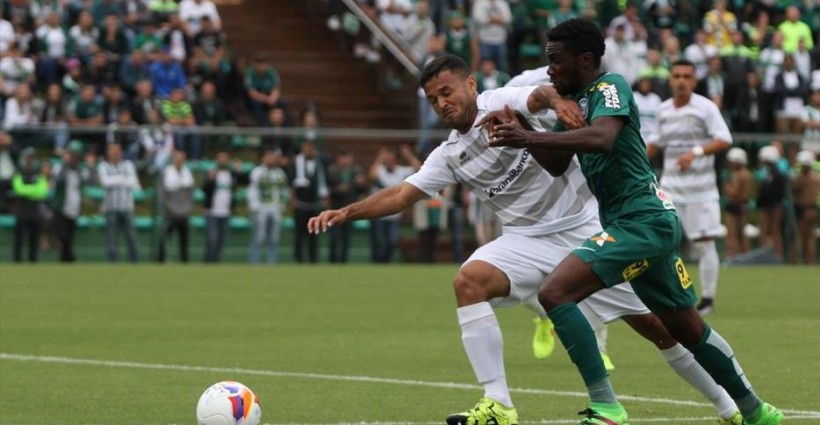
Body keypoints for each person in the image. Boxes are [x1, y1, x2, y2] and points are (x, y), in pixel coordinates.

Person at [309, 54, 743, 425]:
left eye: (447, 91)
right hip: (525, 242)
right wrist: (346, 211)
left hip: (587, 228)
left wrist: (557, 101)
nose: (443, 103)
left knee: (661, 328)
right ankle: (498, 403)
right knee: (468, 282)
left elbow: (537, 97)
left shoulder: (500, 102)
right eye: (433, 99)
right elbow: (403, 193)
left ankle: (729, 407)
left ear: (470, 83)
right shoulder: (449, 154)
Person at [483, 20, 782, 425]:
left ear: (586, 60)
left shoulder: (610, 88)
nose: (549, 70)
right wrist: (523, 129)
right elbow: (555, 164)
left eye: (556, 61)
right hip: (640, 223)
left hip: (642, 220)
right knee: (687, 328)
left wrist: (530, 138)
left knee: (555, 293)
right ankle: (756, 412)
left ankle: (606, 407)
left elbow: (603, 138)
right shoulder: (576, 102)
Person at [646, 59, 732, 316]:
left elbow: (724, 139)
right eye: (677, 76)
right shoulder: (663, 110)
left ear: (694, 81)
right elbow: (656, 143)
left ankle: (707, 299)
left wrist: (695, 152)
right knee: (659, 242)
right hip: (670, 186)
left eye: (686, 76)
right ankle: (665, 295)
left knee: (704, 243)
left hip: (701, 189)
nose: (681, 80)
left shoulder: (705, 108)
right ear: (671, 80)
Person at [367, 145, 420, 263]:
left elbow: (418, 169)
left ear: (395, 160)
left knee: (391, 242)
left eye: (391, 160)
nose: (389, 162)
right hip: (378, 214)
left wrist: (408, 155)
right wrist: (380, 158)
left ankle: (386, 263)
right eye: (387, 160)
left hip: (393, 215)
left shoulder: (401, 171)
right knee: (377, 242)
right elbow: (371, 175)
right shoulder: (380, 170)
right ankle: (375, 265)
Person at [51, 140, 94, 263]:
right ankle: (69, 258)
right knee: (63, 236)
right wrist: (65, 162)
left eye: (76, 156)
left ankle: (67, 260)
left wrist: (91, 166)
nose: (73, 159)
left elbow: (90, 180)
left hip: (74, 208)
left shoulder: (81, 171)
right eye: (72, 155)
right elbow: (58, 178)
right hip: (60, 208)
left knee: (69, 237)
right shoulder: (60, 167)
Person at [98, 142, 141, 263]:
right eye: (112, 151)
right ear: (108, 153)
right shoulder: (103, 166)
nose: (115, 153)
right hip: (110, 208)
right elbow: (105, 182)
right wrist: (123, 179)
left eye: (117, 151)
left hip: (127, 207)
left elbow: (133, 183)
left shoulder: (128, 165)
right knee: (112, 239)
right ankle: (113, 264)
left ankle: (134, 263)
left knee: (132, 238)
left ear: (121, 152)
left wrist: (115, 180)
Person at [202, 151, 248, 263]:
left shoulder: (231, 174)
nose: (223, 160)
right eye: (220, 158)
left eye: (225, 158)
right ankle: (208, 261)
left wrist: (239, 170)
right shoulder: (212, 173)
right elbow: (204, 189)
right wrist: (210, 179)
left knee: (221, 240)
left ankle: (217, 261)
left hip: (226, 212)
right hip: (212, 212)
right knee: (212, 239)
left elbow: (245, 182)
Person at [289, 140, 329, 263]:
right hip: (301, 204)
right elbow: (291, 183)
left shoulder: (321, 163)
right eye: (305, 147)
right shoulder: (296, 163)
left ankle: (313, 260)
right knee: (299, 235)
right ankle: (298, 260)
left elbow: (324, 183)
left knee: (314, 235)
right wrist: (293, 200)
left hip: (315, 204)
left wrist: (325, 199)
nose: (308, 150)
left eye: (310, 147)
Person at [248, 149, 289, 265]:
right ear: (263, 158)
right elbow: (253, 190)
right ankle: (254, 262)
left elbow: (284, 190)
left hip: (276, 208)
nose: (270, 159)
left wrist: (282, 206)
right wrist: (254, 207)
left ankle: (272, 262)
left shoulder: (280, 173)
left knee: (274, 238)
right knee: (258, 237)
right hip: (261, 207)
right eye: (268, 156)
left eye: (272, 156)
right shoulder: (257, 172)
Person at [326, 150, 368, 263]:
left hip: (349, 211)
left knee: (346, 239)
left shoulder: (357, 171)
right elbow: (326, 189)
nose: (345, 161)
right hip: (335, 209)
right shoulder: (331, 171)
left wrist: (361, 183)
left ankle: (343, 263)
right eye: (343, 158)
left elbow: (362, 189)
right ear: (338, 159)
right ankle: (332, 262)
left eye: (347, 157)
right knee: (334, 239)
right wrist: (338, 189)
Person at [11, 148, 48, 263]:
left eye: (32, 158)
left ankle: (33, 263)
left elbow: (42, 191)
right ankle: (16, 263)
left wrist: (28, 191)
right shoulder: (18, 172)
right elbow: (18, 190)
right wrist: (33, 191)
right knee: (19, 241)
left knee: (34, 242)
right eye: (28, 157)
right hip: (22, 211)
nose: (30, 160)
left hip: (36, 213)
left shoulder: (39, 174)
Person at [158, 150, 195, 263]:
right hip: (171, 212)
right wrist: (167, 208)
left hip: (184, 213)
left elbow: (190, 194)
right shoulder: (167, 172)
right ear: (174, 159)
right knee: (164, 237)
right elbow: (162, 193)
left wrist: (188, 209)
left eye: (181, 158)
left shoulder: (188, 172)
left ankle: (184, 261)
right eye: (177, 158)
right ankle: (161, 259)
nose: (179, 160)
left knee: (184, 239)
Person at [722, 147, 754, 260]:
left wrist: (726, 187)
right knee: (742, 235)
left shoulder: (738, 175)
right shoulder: (748, 174)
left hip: (735, 206)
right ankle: (746, 256)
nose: (731, 164)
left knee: (732, 234)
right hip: (743, 206)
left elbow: (733, 192)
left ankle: (731, 256)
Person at [791, 150, 818, 264]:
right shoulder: (816, 178)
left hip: (805, 209)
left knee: (801, 237)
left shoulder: (804, 178)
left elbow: (794, 187)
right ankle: (809, 260)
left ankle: (796, 261)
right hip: (812, 209)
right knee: (809, 237)